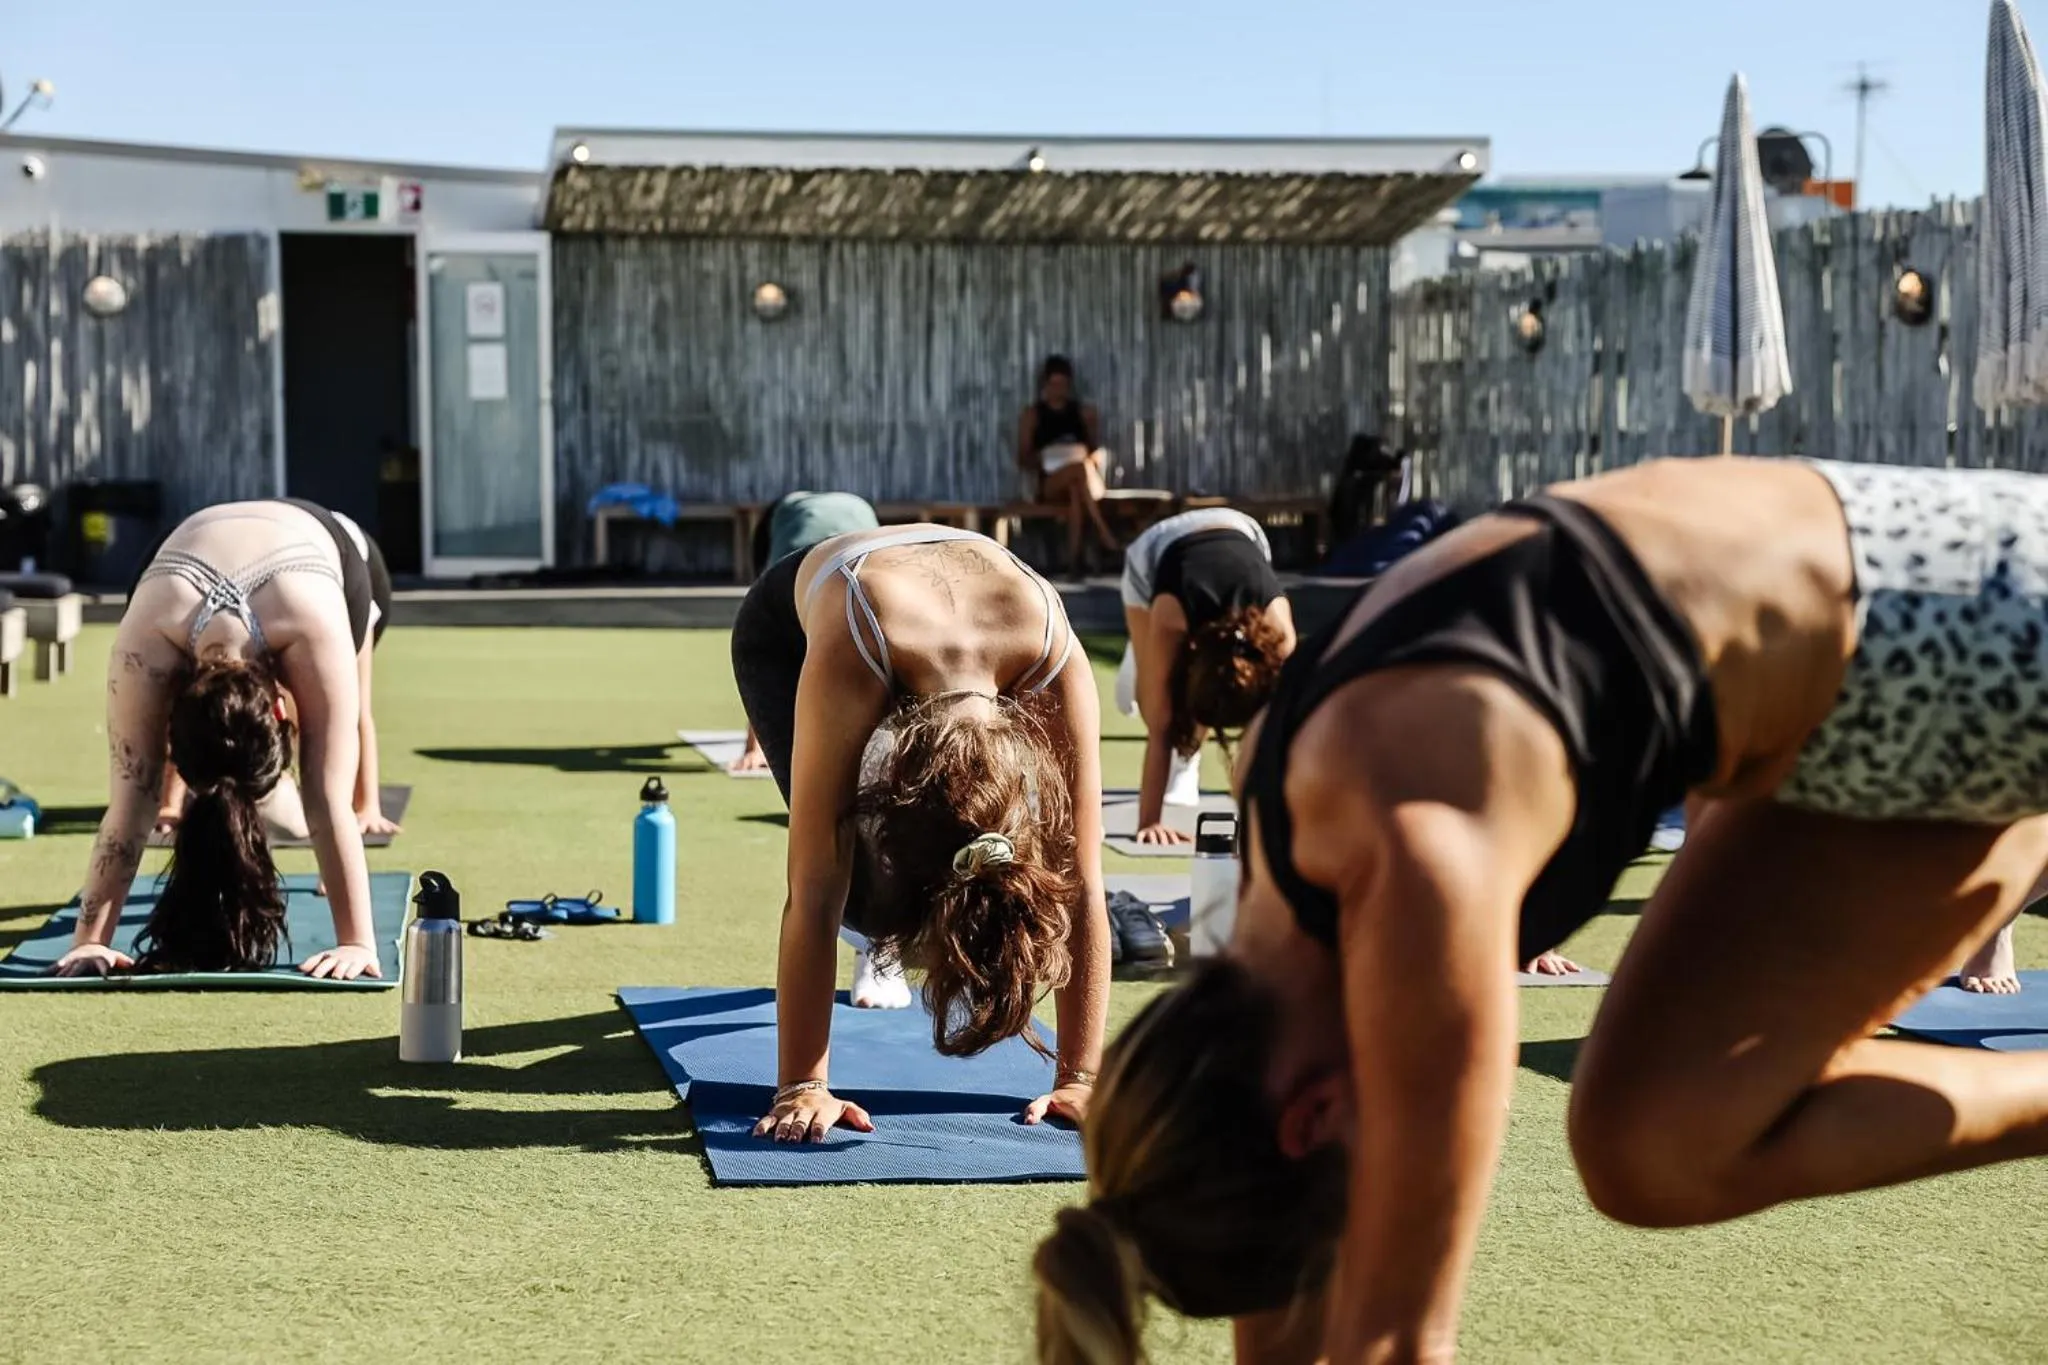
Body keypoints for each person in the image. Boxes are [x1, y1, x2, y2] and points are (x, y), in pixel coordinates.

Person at [1033, 456, 2048, 1363]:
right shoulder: (1277, 850)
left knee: (1654, 1142)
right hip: (1846, 685)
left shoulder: (1411, 860)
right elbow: (1292, 1293)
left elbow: (1400, 1339)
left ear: (1310, 1117)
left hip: (1974, 621)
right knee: (1639, 1142)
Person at [730, 522, 1109, 1140]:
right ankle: (883, 928)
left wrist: (1081, 1080)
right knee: (846, 881)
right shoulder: (856, 648)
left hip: (960, 595)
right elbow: (812, 888)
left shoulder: (1049, 655)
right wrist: (803, 1085)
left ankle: (926, 906)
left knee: (1031, 879)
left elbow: (1083, 881)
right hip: (797, 624)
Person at [55, 498, 395, 980]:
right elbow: (134, 800)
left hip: (317, 553)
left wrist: (357, 943)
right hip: (182, 557)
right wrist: (90, 943)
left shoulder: (316, 624)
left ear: (281, 709)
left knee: (339, 742)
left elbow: (325, 794)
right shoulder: (149, 631)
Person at [1112, 508, 1295, 844]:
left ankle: (1185, 756)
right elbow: (1162, 725)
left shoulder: (1279, 636)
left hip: (1240, 528)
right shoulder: (1171, 618)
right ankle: (1142, 658)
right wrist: (1149, 821)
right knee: (1154, 703)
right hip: (1156, 551)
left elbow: (1288, 727)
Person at [729, 492, 883, 775]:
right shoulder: (789, 575)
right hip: (842, 512)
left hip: (852, 525)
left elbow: (765, 659)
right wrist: (756, 747)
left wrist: (755, 751)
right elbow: (766, 657)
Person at [1018, 355, 1119, 573]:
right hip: (1050, 482)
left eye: (1062, 384)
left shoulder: (1081, 413)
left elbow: (1094, 450)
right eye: (1053, 384)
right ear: (1045, 385)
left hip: (1079, 482)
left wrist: (1092, 457)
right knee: (1078, 470)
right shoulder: (1034, 414)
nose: (1058, 389)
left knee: (1077, 485)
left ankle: (1074, 563)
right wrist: (1046, 457)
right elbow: (1023, 458)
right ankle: (1105, 535)